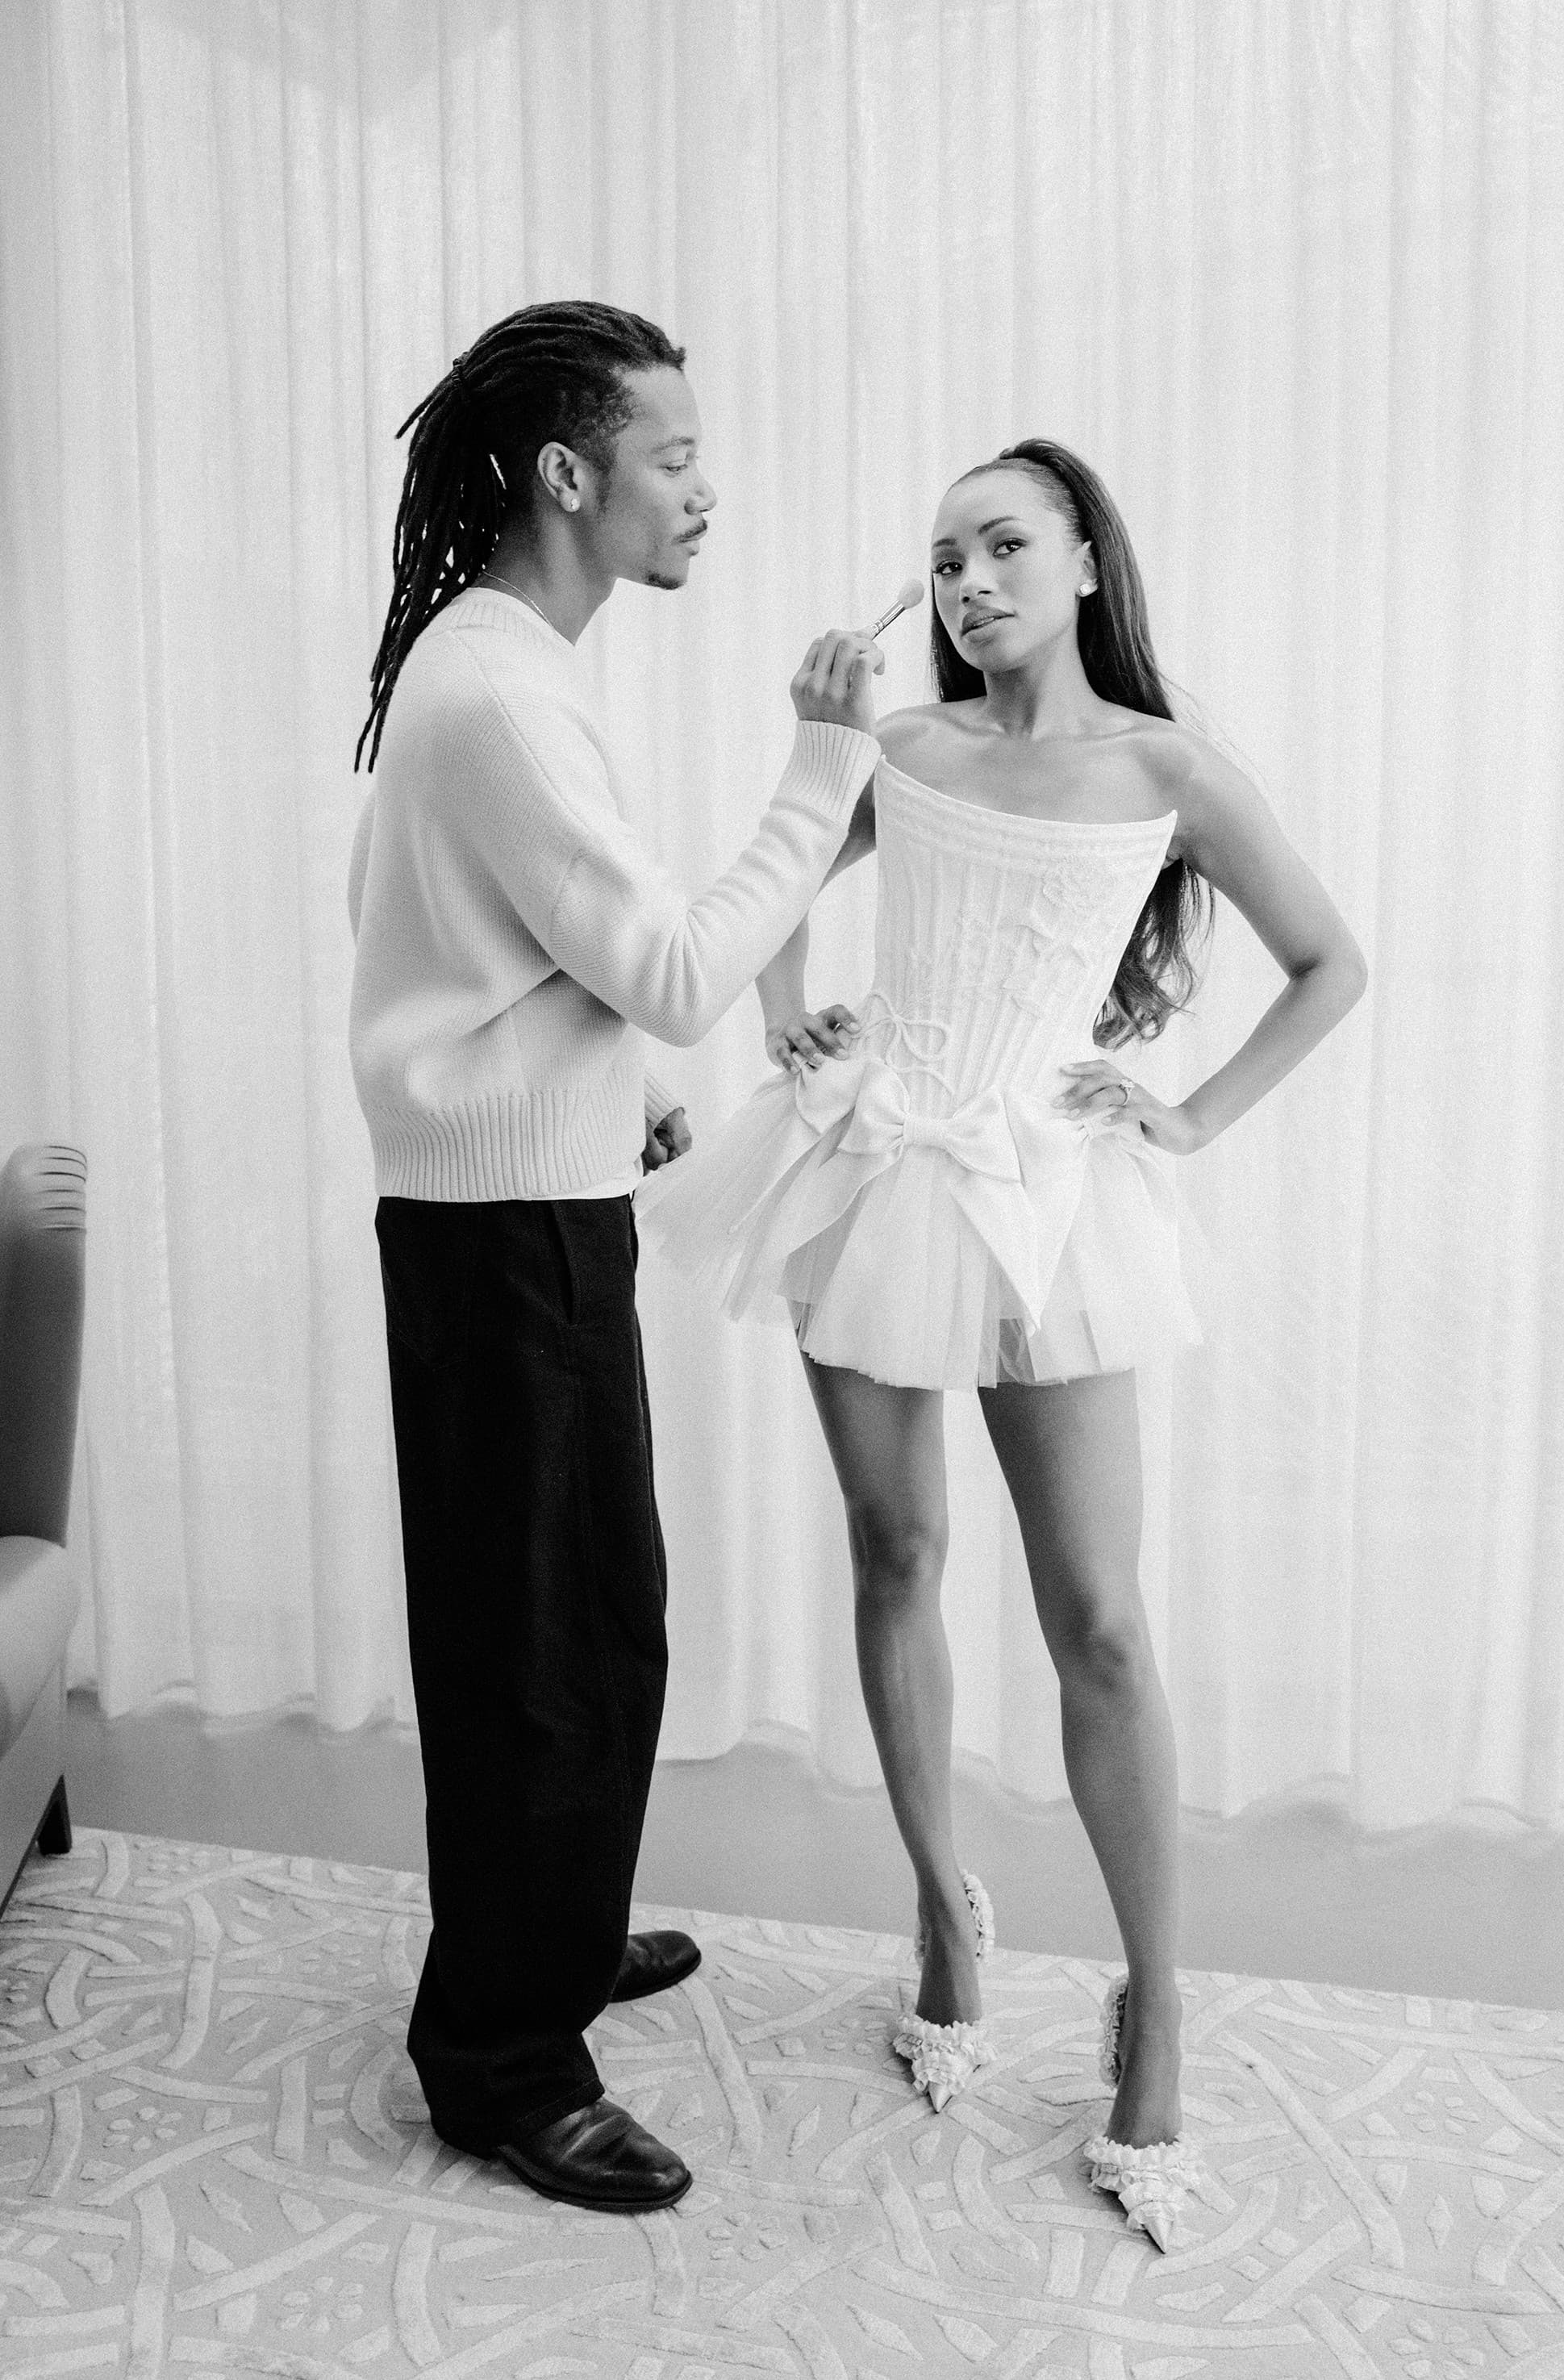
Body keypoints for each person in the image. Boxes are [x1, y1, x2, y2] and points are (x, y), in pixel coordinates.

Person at [637, 437, 1366, 2251]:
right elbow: (772, 886)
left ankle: (1155, 1999)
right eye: (945, 556)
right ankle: (944, 1910)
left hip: (1047, 1188)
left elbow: (1331, 963)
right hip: (874, 1163)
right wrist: (794, 1018)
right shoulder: (903, 744)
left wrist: (1187, 1118)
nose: (967, 582)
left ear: (1085, 559)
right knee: (895, 1548)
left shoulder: (1168, 770)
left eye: (1003, 545)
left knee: (1099, 1620)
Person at [346, 299, 882, 2214]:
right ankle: (501, 2053)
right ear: (571, 474)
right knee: (541, 1651)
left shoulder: (503, 662)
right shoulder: (496, 686)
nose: (704, 489)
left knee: (590, 1619)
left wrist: (619, 1085)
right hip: (500, 1237)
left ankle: (550, 1933)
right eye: (675, 455)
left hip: (529, 1204)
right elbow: (663, 955)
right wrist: (822, 772)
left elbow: (501, 938)